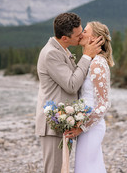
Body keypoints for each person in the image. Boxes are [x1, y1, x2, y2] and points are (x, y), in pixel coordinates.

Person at [35, 13, 103, 173]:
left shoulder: (62, 49)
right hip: (53, 125)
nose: (82, 37)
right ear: (65, 38)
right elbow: (71, 85)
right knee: (55, 170)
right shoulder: (51, 53)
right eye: (79, 35)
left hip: (64, 121)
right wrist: (86, 56)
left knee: (63, 169)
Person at [65, 21, 114, 173]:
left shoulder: (98, 63)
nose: (81, 34)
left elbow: (103, 104)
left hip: (91, 126)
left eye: (85, 31)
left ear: (94, 38)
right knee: (89, 167)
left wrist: (81, 127)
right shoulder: (92, 61)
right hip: (87, 124)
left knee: (85, 168)